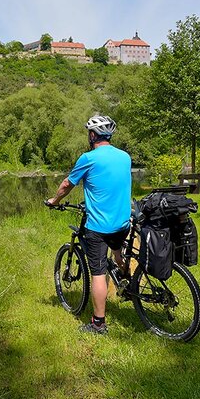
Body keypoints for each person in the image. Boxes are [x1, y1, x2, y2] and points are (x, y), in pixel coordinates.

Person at [46, 115, 132, 335]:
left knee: (98, 273)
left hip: (99, 227)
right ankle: (127, 281)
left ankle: (98, 324)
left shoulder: (88, 158)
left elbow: (67, 184)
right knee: (117, 252)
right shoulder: (125, 157)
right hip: (122, 222)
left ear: (93, 135)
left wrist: (54, 201)